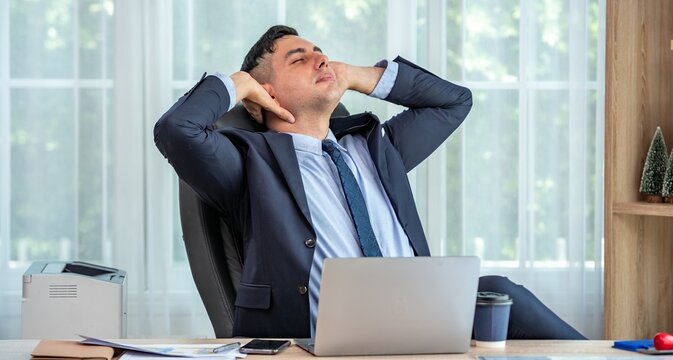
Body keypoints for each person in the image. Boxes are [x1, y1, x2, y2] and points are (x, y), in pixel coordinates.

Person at [154, 25, 585, 340]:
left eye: (320, 52)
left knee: (498, 294)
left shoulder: (376, 148)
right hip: (318, 338)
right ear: (265, 95)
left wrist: (358, 76)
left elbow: (454, 101)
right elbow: (176, 129)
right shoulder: (249, 164)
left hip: (419, 319)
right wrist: (240, 83)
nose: (320, 59)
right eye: (298, 59)